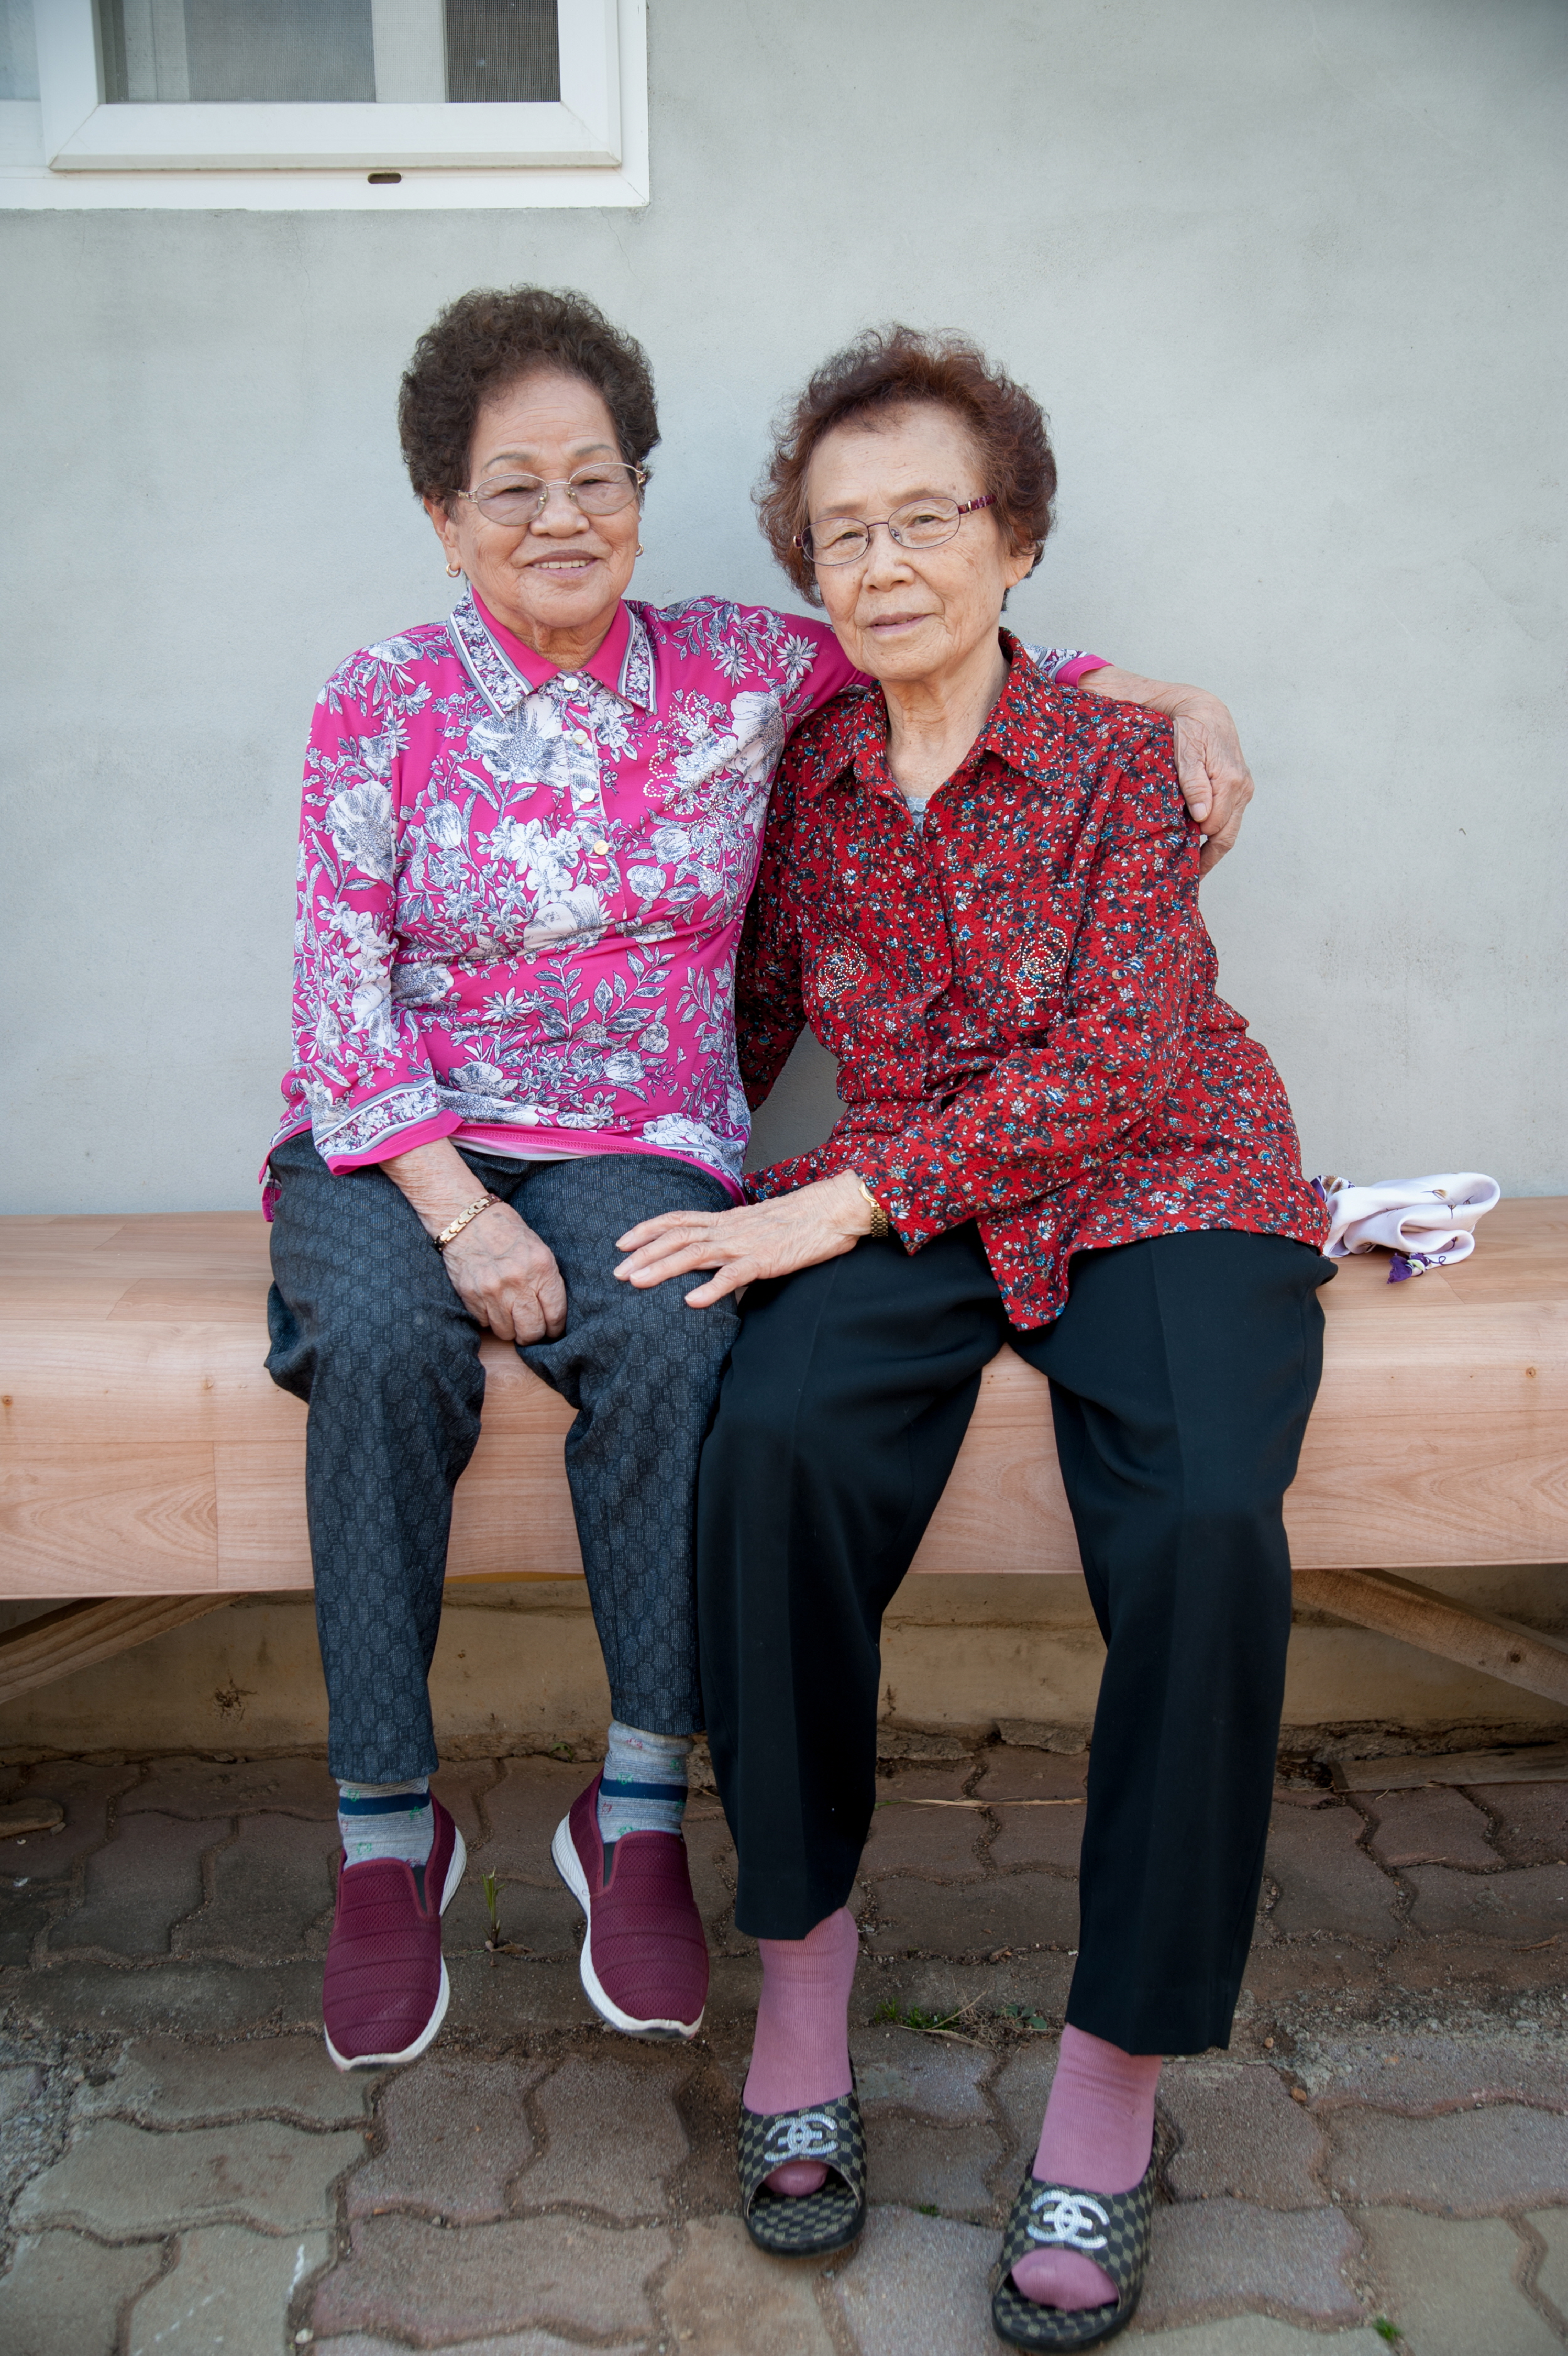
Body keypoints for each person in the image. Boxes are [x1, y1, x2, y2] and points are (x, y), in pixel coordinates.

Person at [263, 283, 1260, 2081]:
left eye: (596, 477)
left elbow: (939, 627)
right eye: (511, 488)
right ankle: (385, 1833)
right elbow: (337, 1002)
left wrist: (1172, 692)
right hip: (400, 1133)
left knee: (672, 1330)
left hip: (632, 1137)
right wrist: (457, 1213)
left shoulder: (738, 665)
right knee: (388, 1350)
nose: (560, 518)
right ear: (442, 517)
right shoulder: (381, 698)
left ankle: (638, 1808)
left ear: (641, 495)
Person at [615, 327, 1333, 2347]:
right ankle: (805, 1982)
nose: (884, 560)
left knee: (1201, 1520)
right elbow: (728, 1018)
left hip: (1159, 1177)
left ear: (1013, 539)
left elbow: (1120, 1059)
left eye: (926, 517)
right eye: (842, 532)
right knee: (769, 1451)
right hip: (916, 1196)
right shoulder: (808, 777)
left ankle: (1109, 2086)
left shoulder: (1119, 764)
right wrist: (531, 1164)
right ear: (810, 575)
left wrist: (836, 1200)